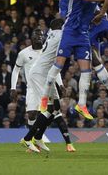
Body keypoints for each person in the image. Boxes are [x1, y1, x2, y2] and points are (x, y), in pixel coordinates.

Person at [41, 0, 107, 121]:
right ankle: (44, 99)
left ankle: (81, 105)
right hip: (69, 32)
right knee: (58, 65)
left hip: (83, 34)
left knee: (86, 70)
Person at [59, 0, 108, 109]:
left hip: (99, 19)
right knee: (95, 61)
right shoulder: (65, 0)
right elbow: (66, 17)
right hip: (85, 29)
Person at [20, 19, 75, 153]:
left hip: (47, 73)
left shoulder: (52, 34)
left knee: (56, 107)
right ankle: (28, 139)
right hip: (39, 74)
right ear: (60, 27)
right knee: (48, 107)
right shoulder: (59, 35)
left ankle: (38, 137)